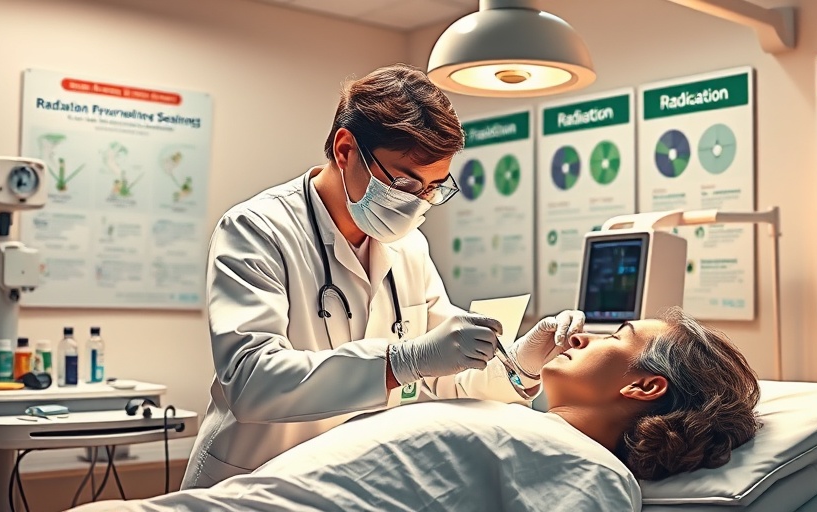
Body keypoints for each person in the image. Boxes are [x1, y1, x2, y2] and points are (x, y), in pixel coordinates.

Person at [183, 63, 584, 489]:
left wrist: (522, 359)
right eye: (405, 183)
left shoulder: (408, 247)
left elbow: (445, 382)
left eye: (434, 188)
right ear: (344, 150)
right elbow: (252, 381)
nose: (418, 204)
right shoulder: (257, 229)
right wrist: (400, 361)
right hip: (251, 481)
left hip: (347, 484)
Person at [72, 307, 761, 511]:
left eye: (620, 338)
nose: (588, 335)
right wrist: (520, 368)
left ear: (643, 389)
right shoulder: (530, 429)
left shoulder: (591, 475)